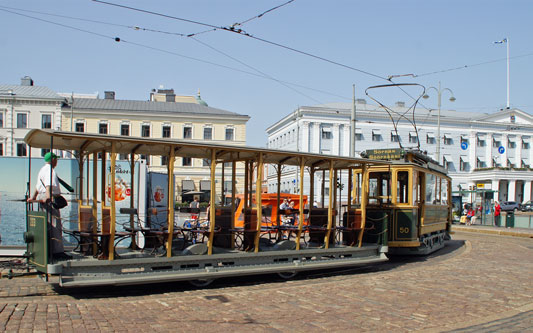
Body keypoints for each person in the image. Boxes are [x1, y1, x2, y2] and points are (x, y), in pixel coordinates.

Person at [28, 152, 71, 260]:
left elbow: (38, 187)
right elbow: (48, 185)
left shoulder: (42, 170)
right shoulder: (49, 170)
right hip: (50, 199)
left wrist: (33, 198)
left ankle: (48, 250)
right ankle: (57, 252)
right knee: (55, 225)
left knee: (47, 226)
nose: (57, 161)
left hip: (44, 198)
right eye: (56, 159)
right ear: (53, 160)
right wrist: (48, 198)